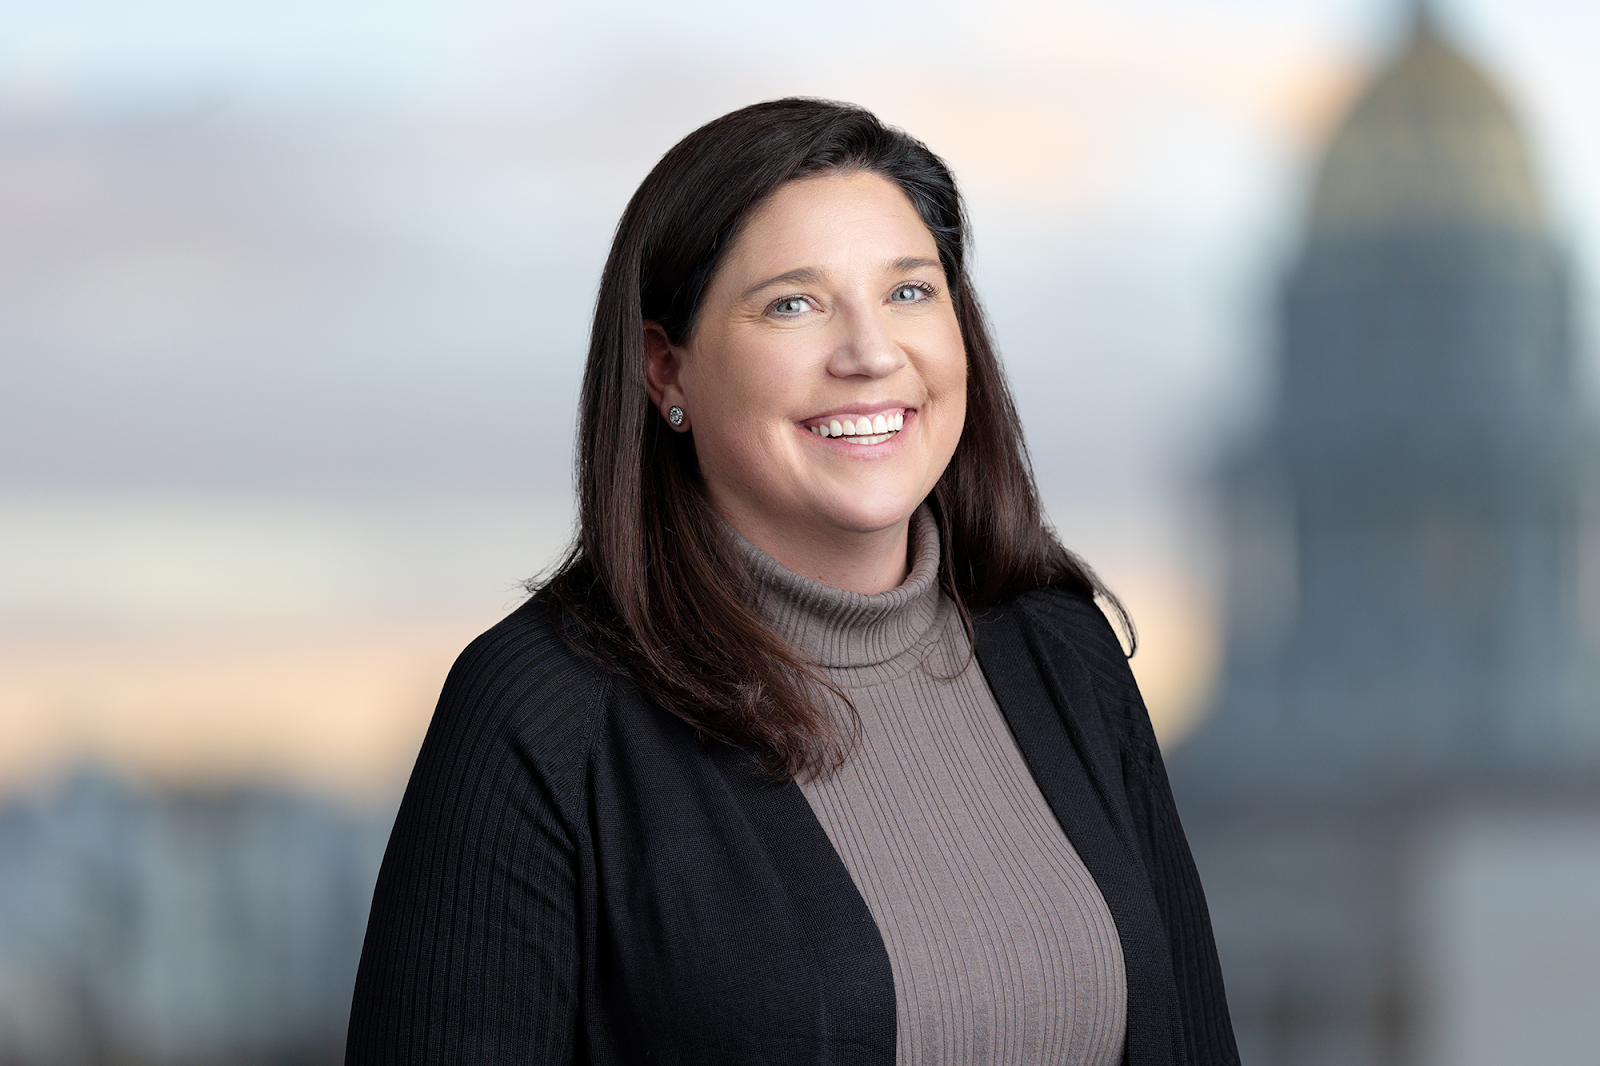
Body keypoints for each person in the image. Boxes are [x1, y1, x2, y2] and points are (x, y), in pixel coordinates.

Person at [346, 98, 1237, 1066]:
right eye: (792, 303)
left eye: (908, 292)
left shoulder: (1063, 654)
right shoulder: (543, 712)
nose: (868, 353)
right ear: (664, 369)